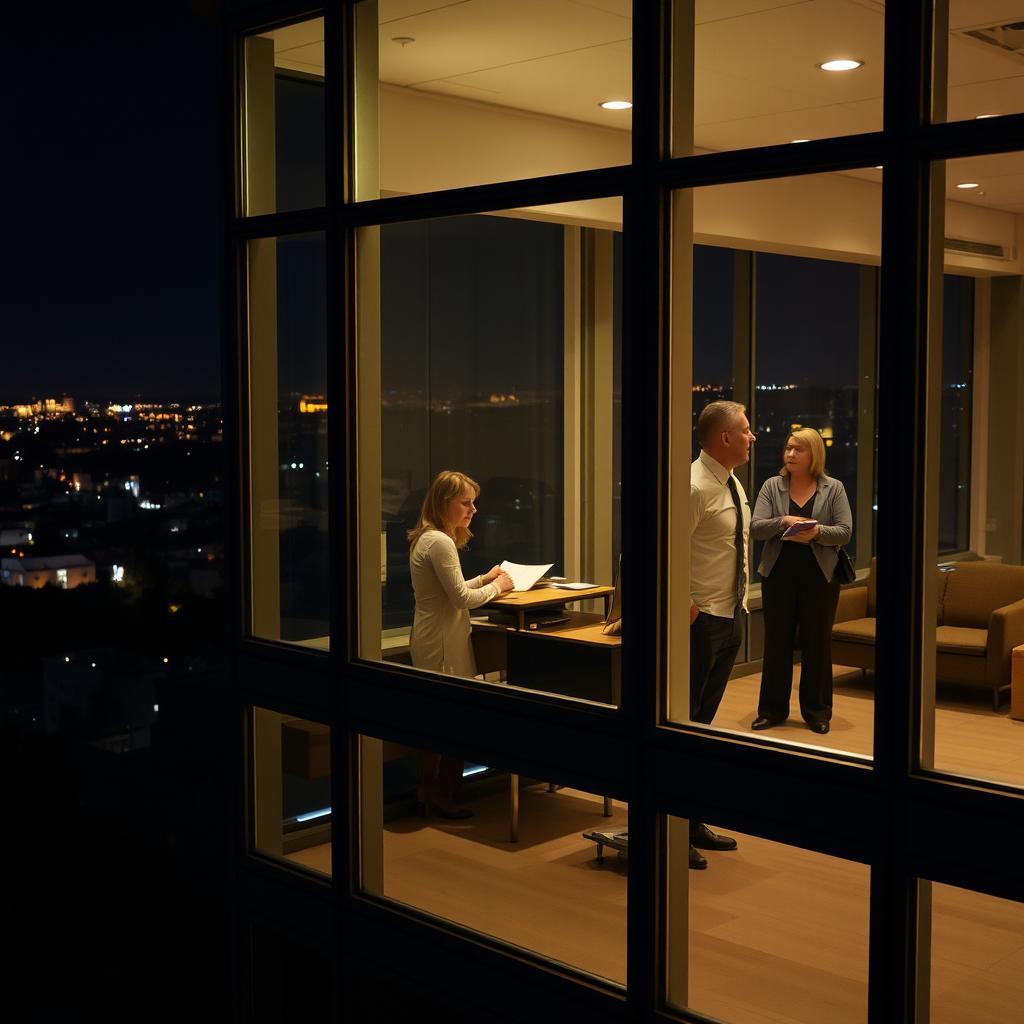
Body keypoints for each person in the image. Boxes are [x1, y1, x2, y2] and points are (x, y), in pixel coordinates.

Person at [408, 470, 514, 817]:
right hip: (442, 644)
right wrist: (499, 587)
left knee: (433, 721)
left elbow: (448, 589)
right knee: (452, 722)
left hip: (432, 636)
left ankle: (431, 791)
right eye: (465, 503)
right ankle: (442, 794)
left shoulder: (428, 537)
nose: (473, 509)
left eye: (474, 502)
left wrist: (485, 577)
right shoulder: (439, 541)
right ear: (444, 503)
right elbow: (459, 599)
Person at [749, 427, 852, 736]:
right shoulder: (772, 486)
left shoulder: (833, 488)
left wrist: (816, 532)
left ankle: (817, 712)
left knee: (817, 645)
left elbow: (845, 531)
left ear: (814, 455)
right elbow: (756, 528)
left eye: (798, 449)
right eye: (788, 448)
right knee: (776, 644)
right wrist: (784, 522)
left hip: (820, 577)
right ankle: (771, 710)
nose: (790, 454)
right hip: (778, 576)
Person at [688, 400, 756, 869]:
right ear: (725, 438)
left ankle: (690, 821)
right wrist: (684, 607)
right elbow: (658, 550)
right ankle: (669, 828)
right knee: (682, 726)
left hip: (730, 614)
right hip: (699, 621)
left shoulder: (730, 482)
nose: (753, 437)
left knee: (702, 728)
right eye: (746, 431)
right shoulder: (693, 485)